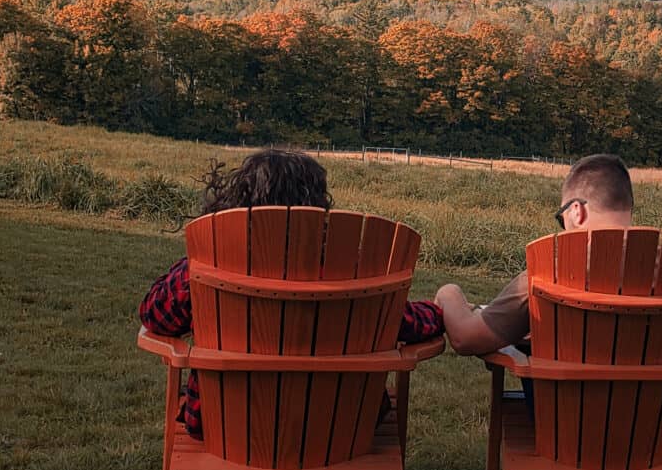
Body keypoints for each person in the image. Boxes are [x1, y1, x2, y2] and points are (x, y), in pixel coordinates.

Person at [140, 149, 443, 438]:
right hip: (338, 427)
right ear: (317, 205)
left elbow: (156, 316)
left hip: (224, 426)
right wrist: (440, 309)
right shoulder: (352, 270)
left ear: (239, 200)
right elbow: (406, 322)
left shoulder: (209, 262)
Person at [434, 153, 634, 356]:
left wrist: (448, 293)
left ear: (576, 211)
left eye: (560, 218)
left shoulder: (550, 272)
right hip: (648, 388)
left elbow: (467, 338)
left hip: (564, 388)